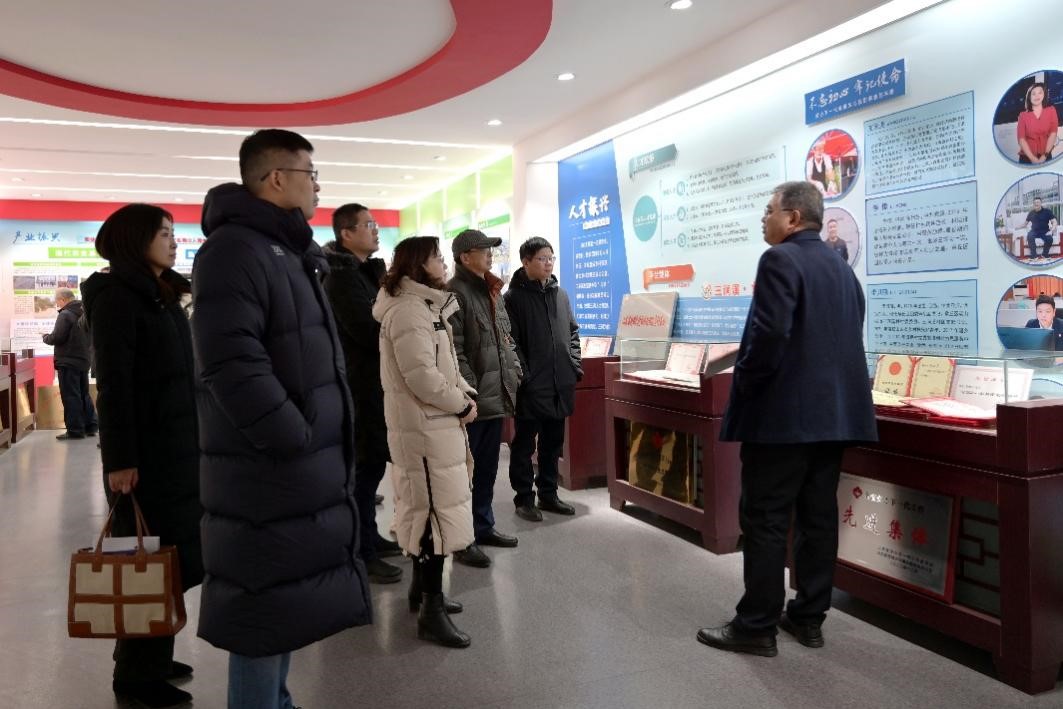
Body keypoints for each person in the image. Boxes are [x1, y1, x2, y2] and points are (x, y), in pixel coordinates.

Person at [192, 129, 371, 709]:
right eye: (310, 174)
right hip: (266, 470)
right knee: (262, 614)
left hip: (296, 466)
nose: (318, 186)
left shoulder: (289, 252)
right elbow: (231, 363)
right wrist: (293, 435)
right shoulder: (234, 251)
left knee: (282, 605)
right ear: (276, 179)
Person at [698, 181, 877, 657]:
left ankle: (756, 625)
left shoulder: (779, 259)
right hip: (834, 419)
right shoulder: (842, 269)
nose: (764, 218)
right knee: (818, 518)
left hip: (782, 420)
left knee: (765, 518)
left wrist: (747, 386)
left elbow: (769, 335)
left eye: (769, 210)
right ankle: (808, 617)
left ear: (793, 217)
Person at [81, 204, 202, 709]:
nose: (174, 242)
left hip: (177, 448)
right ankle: (136, 674)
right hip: (146, 455)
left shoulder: (162, 293)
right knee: (147, 560)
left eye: (174, 233)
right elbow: (114, 385)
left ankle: (150, 648)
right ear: (135, 240)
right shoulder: (118, 299)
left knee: (168, 558)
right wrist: (120, 460)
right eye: (164, 233)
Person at [373, 236, 477, 648]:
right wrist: (460, 403)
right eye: (436, 257)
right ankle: (431, 611)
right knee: (434, 516)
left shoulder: (423, 307)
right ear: (418, 264)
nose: (443, 262)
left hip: (430, 425)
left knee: (428, 508)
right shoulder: (410, 312)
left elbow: (442, 368)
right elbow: (422, 377)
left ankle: (422, 592)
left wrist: (463, 391)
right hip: (425, 429)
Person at [322, 203, 404, 584]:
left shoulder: (365, 274)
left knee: (371, 470)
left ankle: (370, 537)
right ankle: (361, 551)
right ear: (346, 234)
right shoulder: (340, 280)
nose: (375, 230)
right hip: (358, 387)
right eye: (368, 225)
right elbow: (368, 331)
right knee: (362, 473)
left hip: (374, 385)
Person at [447, 229, 522, 568]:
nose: (491, 254)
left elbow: (505, 339)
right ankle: (463, 539)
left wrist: (515, 370)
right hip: (475, 401)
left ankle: (483, 525)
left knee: (488, 468)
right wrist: (471, 389)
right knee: (467, 471)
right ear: (465, 257)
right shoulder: (454, 292)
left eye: (491, 249)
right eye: (484, 249)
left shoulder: (492, 290)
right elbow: (455, 349)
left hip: (497, 396)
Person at [504, 237, 582, 521]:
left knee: (553, 443)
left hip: (560, 383)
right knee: (525, 444)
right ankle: (524, 498)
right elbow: (510, 342)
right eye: (542, 258)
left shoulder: (560, 295)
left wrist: (574, 366)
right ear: (526, 262)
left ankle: (548, 494)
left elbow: (573, 332)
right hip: (531, 386)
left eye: (551, 258)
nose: (548, 263)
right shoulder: (512, 299)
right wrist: (525, 376)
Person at [43, 287, 97, 440]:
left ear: (63, 299)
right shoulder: (85, 312)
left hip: (68, 361)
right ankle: (90, 426)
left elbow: (57, 337)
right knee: (84, 394)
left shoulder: (65, 314)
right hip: (84, 360)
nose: (57, 304)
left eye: (57, 301)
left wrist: (45, 337)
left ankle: (75, 430)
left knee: (70, 396)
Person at [1017, 81, 1059, 164]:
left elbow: (1053, 133)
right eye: (1033, 94)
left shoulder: (1051, 110)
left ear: (1044, 95)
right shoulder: (1023, 115)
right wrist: (1033, 159)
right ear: (1029, 97)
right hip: (1026, 157)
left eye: (1040, 92)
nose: (1037, 96)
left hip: (1046, 155)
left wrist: (1045, 155)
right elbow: (1021, 139)